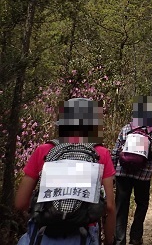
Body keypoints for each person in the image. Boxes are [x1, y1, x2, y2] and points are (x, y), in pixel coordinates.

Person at [14, 97, 116, 245]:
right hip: (83, 235)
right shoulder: (101, 153)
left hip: (44, 233)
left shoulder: (44, 150)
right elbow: (110, 207)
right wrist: (108, 240)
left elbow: (20, 203)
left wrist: (46, 211)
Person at [111, 96, 152, 245]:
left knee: (121, 206)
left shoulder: (127, 128)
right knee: (142, 204)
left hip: (123, 172)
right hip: (144, 175)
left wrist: (112, 173)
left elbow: (115, 151)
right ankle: (135, 237)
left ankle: (119, 239)